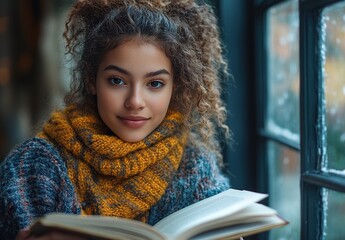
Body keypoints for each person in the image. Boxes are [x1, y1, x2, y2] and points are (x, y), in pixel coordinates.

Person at [0, 0, 232, 239]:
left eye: (155, 84)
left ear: (175, 87)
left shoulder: (196, 167)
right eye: (117, 80)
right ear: (92, 79)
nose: (135, 101)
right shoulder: (34, 166)